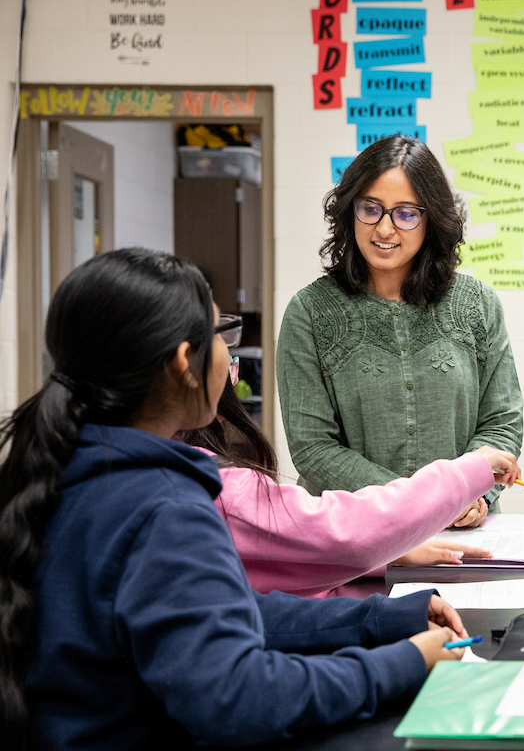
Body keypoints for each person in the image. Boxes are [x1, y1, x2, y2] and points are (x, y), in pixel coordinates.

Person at [0, 248, 468, 749]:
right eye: (220, 337)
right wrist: (404, 664)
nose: (230, 354)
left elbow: (224, 614)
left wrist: (377, 619)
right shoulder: (164, 508)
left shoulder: (65, 468)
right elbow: (241, 699)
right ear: (185, 362)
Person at [277, 135, 523, 528]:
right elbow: (313, 448)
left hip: (465, 534)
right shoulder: (309, 313)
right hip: (356, 537)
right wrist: (428, 503)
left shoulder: (478, 304)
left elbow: (501, 422)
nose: (385, 228)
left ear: (431, 221)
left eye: (406, 213)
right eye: (370, 209)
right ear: (349, 211)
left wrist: (472, 492)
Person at [179, 379, 519, 597]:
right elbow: (342, 531)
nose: (232, 372)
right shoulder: (211, 485)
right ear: (186, 366)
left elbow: (267, 561)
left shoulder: (163, 474)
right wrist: (467, 473)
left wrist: (389, 551)